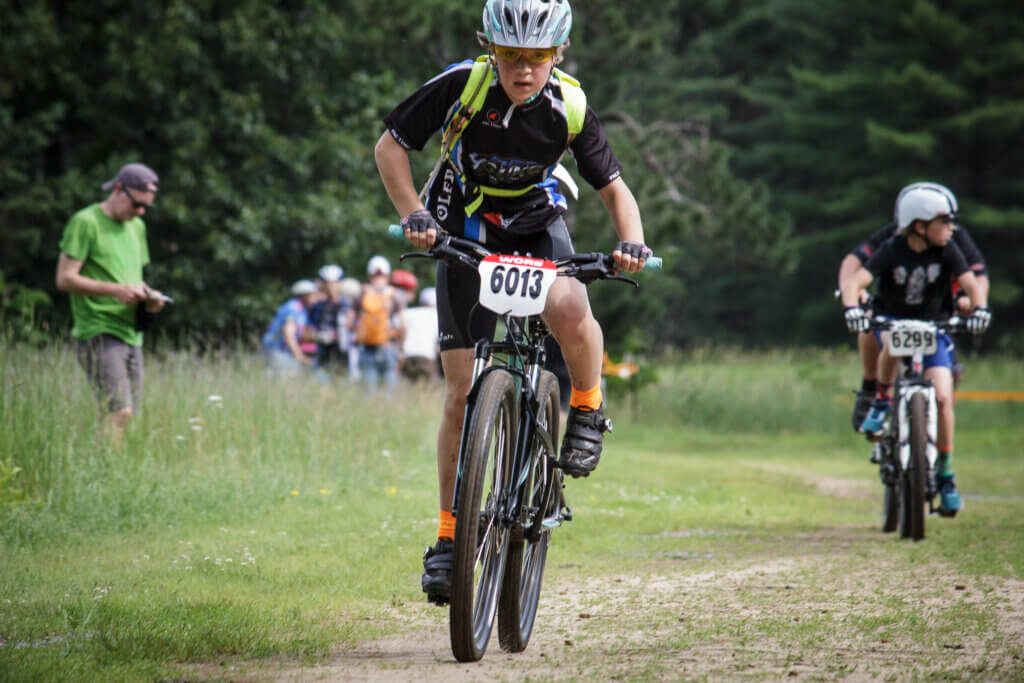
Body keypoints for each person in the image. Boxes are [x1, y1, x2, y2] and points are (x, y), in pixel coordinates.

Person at [374, 0, 650, 605]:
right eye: (510, 56)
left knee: (574, 309)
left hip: (533, 224)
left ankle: (586, 405)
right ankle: (449, 538)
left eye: (537, 58)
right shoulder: (461, 86)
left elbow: (614, 188)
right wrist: (412, 215)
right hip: (459, 225)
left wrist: (631, 242)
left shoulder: (569, 105)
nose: (523, 70)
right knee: (456, 392)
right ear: (490, 49)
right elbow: (390, 148)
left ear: (558, 55)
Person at [839, 185, 990, 516]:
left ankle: (946, 473)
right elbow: (856, 279)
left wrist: (979, 308)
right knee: (888, 345)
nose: (951, 228)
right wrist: (852, 305)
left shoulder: (949, 249)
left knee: (943, 396)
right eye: (943, 221)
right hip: (896, 320)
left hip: (934, 327)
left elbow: (971, 283)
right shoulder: (891, 248)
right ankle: (880, 400)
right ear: (919, 225)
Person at [56, 162, 165, 446]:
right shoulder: (85, 222)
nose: (140, 212)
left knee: (127, 414)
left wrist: (151, 297)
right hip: (99, 329)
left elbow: (133, 278)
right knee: (120, 410)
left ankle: (100, 463)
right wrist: (115, 291)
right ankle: (104, 472)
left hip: (131, 331)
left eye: (146, 208)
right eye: (137, 204)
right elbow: (65, 279)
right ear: (118, 189)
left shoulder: (136, 227)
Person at [348, 255, 403, 391]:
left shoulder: (361, 292)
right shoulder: (394, 294)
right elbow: (403, 326)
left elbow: (349, 323)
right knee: (390, 393)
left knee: (368, 393)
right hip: (388, 346)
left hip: (366, 348)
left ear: (369, 274)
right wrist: (400, 347)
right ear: (388, 275)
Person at [261, 279, 319, 377]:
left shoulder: (301, 309)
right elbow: (289, 334)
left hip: (279, 349)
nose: (315, 297)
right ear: (304, 295)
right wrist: (299, 356)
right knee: (290, 374)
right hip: (277, 349)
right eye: (313, 294)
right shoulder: (293, 308)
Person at [307, 264, 351, 376]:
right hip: (322, 353)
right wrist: (318, 336)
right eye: (327, 283)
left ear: (339, 284)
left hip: (343, 354)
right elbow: (306, 332)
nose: (331, 287)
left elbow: (353, 328)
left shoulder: (347, 305)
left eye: (334, 283)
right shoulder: (317, 306)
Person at [400, 286, 441, 381]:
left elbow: (401, 328)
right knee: (430, 389)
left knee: (409, 388)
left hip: (408, 355)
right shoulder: (437, 315)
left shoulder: (408, 313)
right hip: (427, 356)